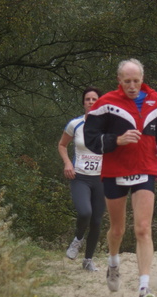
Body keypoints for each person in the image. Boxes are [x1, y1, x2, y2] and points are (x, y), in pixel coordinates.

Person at [84, 59, 157, 297]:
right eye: (127, 81)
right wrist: (117, 140)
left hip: (145, 167)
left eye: (136, 81)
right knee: (118, 230)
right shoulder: (105, 104)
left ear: (142, 79)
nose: (132, 86)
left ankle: (144, 287)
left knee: (143, 228)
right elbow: (91, 139)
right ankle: (113, 263)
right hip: (115, 170)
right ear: (119, 80)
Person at [58, 86, 105, 271]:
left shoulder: (107, 126)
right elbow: (62, 145)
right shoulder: (75, 124)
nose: (91, 102)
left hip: (101, 178)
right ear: (83, 103)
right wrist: (67, 163)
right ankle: (77, 239)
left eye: (95, 99)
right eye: (88, 99)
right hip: (80, 177)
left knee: (96, 221)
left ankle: (88, 260)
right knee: (85, 212)